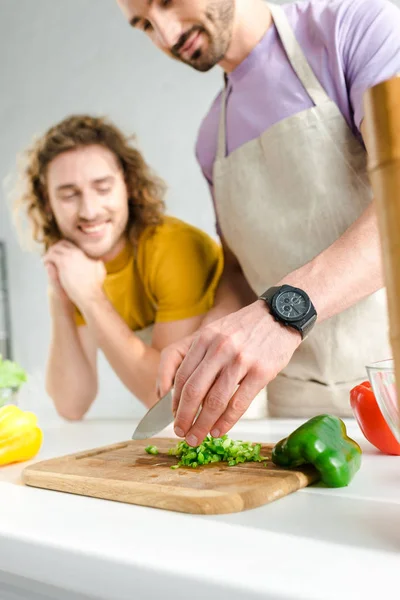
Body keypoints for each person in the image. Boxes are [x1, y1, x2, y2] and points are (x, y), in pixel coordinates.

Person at [115, 0, 400, 446]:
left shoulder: (357, 29)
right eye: (145, 25)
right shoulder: (211, 139)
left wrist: (281, 314)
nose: (167, 35)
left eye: (167, 2)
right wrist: (213, 332)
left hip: (392, 393)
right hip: (297, 420)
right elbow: (240, 267)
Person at [13, 114, 223, 420]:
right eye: (69, 195)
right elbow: (72, 405)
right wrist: (60, 296)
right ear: (47, 203)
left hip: (241, 411)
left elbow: (167, 398)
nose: (89, 210)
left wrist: (91, 298)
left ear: (127, 185)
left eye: (102, 188)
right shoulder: (76, 264)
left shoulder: (173, 248)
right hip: (167, 423)